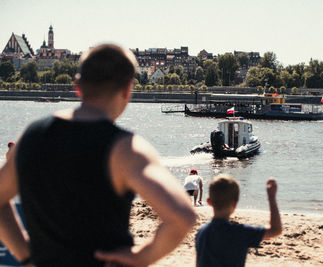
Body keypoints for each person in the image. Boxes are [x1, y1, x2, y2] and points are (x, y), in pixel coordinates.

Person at [0, 44, 196, 267]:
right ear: (127, 89)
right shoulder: (125, 148)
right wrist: (141, 257)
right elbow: (182, 217)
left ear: (77, 86)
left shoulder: (33, 136)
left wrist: (26, 256)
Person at [195, 175, 282, 267]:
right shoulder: (240, 232)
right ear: (235, 203)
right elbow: (276, 230)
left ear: (209, 202)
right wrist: (271, 197)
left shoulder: (201, 232)